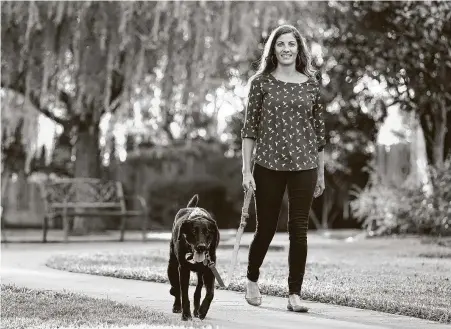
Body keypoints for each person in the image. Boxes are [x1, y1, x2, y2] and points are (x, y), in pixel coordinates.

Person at [240, 24, 326, 312]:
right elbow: (249, 131)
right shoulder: (260, 83)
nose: (286, 49)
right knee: (265, 229)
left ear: (299, 49)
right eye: (281, 44)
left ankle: (294, 294)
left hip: (305, 166)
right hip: (268, 164)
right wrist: (245, 171)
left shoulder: (312, 84)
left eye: (291, 44)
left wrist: (321, 174)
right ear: (273, 50)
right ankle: (252, 278)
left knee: (298, 230)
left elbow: (319, 135)